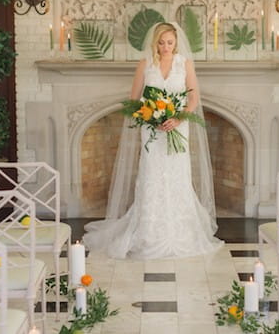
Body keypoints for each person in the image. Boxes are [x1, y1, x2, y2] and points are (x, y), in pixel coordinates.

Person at [83, 22, 223, 259]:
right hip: (152, 130)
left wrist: (178, 119)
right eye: (161, 42)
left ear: (176, 42)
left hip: (178, 128)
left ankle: (181, 232)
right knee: (152, 175)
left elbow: (193, 98)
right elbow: (134, 100)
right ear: (154, 43)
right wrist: (151, 117)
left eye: (170, 42)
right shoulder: (145, 65)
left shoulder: (184, 64)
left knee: (178, 175)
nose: (166, 47)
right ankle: (147, 233)